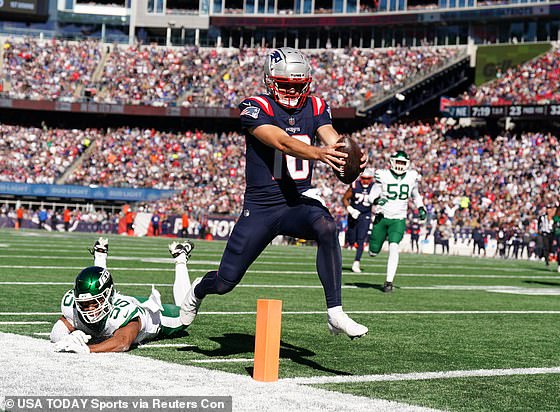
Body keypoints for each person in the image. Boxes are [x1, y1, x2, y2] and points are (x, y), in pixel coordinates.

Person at [179, 47, 368, 339]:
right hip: (261, 207)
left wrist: (345, 154)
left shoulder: (316, 106)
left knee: (327, 227)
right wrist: (319, 153)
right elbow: (281, 141)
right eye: (285, 86)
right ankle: (197, 290)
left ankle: (335, 312)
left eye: (297, 86)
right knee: (226, 281)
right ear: (270, 81)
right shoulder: (255, 106)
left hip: (297, 202)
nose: (292, 93)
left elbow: (331, 135)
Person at [51, 238, 195, 353]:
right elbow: (57, 330)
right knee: (99, 287)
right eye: (84, 304)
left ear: (108, 297)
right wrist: (67, 338)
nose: (89, 309)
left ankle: (180, 259)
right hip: (121, 301)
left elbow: (123, 342)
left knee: (185, 314)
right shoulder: (75, 307)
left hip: (152, 316)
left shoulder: (123, 314)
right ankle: (100, 257)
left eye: (95, 302)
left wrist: (86, 348)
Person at [367, 150, 426, 293]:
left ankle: (389, 282)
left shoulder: (411, 177)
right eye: (397, 162)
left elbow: (416, 194)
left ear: (407, 164)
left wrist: (421, 207)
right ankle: (374, 249)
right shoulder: (383, 175)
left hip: (398, 218)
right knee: (373, 251)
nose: (399, 165)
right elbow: (371, 196)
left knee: (394, 247)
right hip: (382, 217)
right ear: (392, 162)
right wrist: (376, 200)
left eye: (402, 162)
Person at [342, 168, 374, 272]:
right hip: (353, 215)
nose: (365, 181)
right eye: (363, 178)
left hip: (365, 215)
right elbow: (344, 199)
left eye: (368, 179)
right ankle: (353, 244)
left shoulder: (375, 188)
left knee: (361, 239)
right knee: (351, 238)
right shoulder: (355, 185)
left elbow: (379, 200)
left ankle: (357, 262)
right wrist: (350, 209)